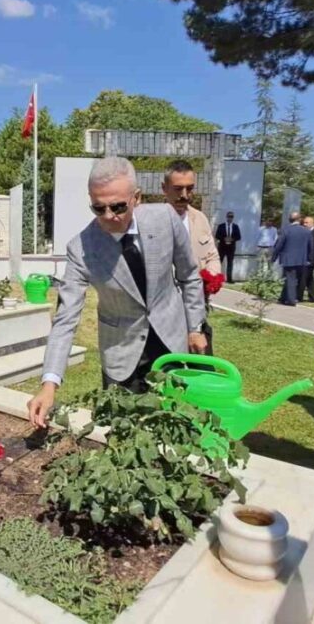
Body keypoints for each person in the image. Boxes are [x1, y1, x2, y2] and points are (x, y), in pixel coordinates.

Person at [27, 157, 207, 427]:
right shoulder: (81, 248)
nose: (109, 216)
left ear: (136, 197)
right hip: (121, 353)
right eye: (98, 208)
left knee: (173, 425)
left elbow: (189, 276)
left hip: (171, 340)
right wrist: (49, 382)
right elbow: (66, 319)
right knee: (121, 432)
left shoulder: (166, 218)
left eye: (118, 206)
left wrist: (195, 327)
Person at [161, 160, 221, 355]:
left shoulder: (200, 219)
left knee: (201, 370)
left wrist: (212, 277)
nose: (184, 195)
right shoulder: (150, 221)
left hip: (196, 307)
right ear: (164, 188)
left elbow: (212, 255)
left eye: (190, 188)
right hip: (164, 313)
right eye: (178, 189)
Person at [271, 212, 314, 306]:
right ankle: (283, 298)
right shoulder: (306, 231)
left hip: (289, 259)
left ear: (289, 220)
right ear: (299, 220)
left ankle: (291, 300)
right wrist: (310, 259)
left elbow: (279, 245)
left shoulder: (286, 230)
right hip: (302, 260)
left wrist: (274, 257)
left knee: (290, 279)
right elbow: (311, 246)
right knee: (291, 279)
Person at [215, 211, 242, 283]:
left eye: (231, 217)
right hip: (222, 247)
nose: (230, 218)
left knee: (230, 263)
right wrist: (224, 238)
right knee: (219, 262)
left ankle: (229, 279)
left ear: (233, 218)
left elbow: (239, 237)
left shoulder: (235, 226)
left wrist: (232, 239)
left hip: (231, 247)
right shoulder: (221, 226)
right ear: (226, 217)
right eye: (229, 216)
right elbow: (217, 235)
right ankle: (216, 278)